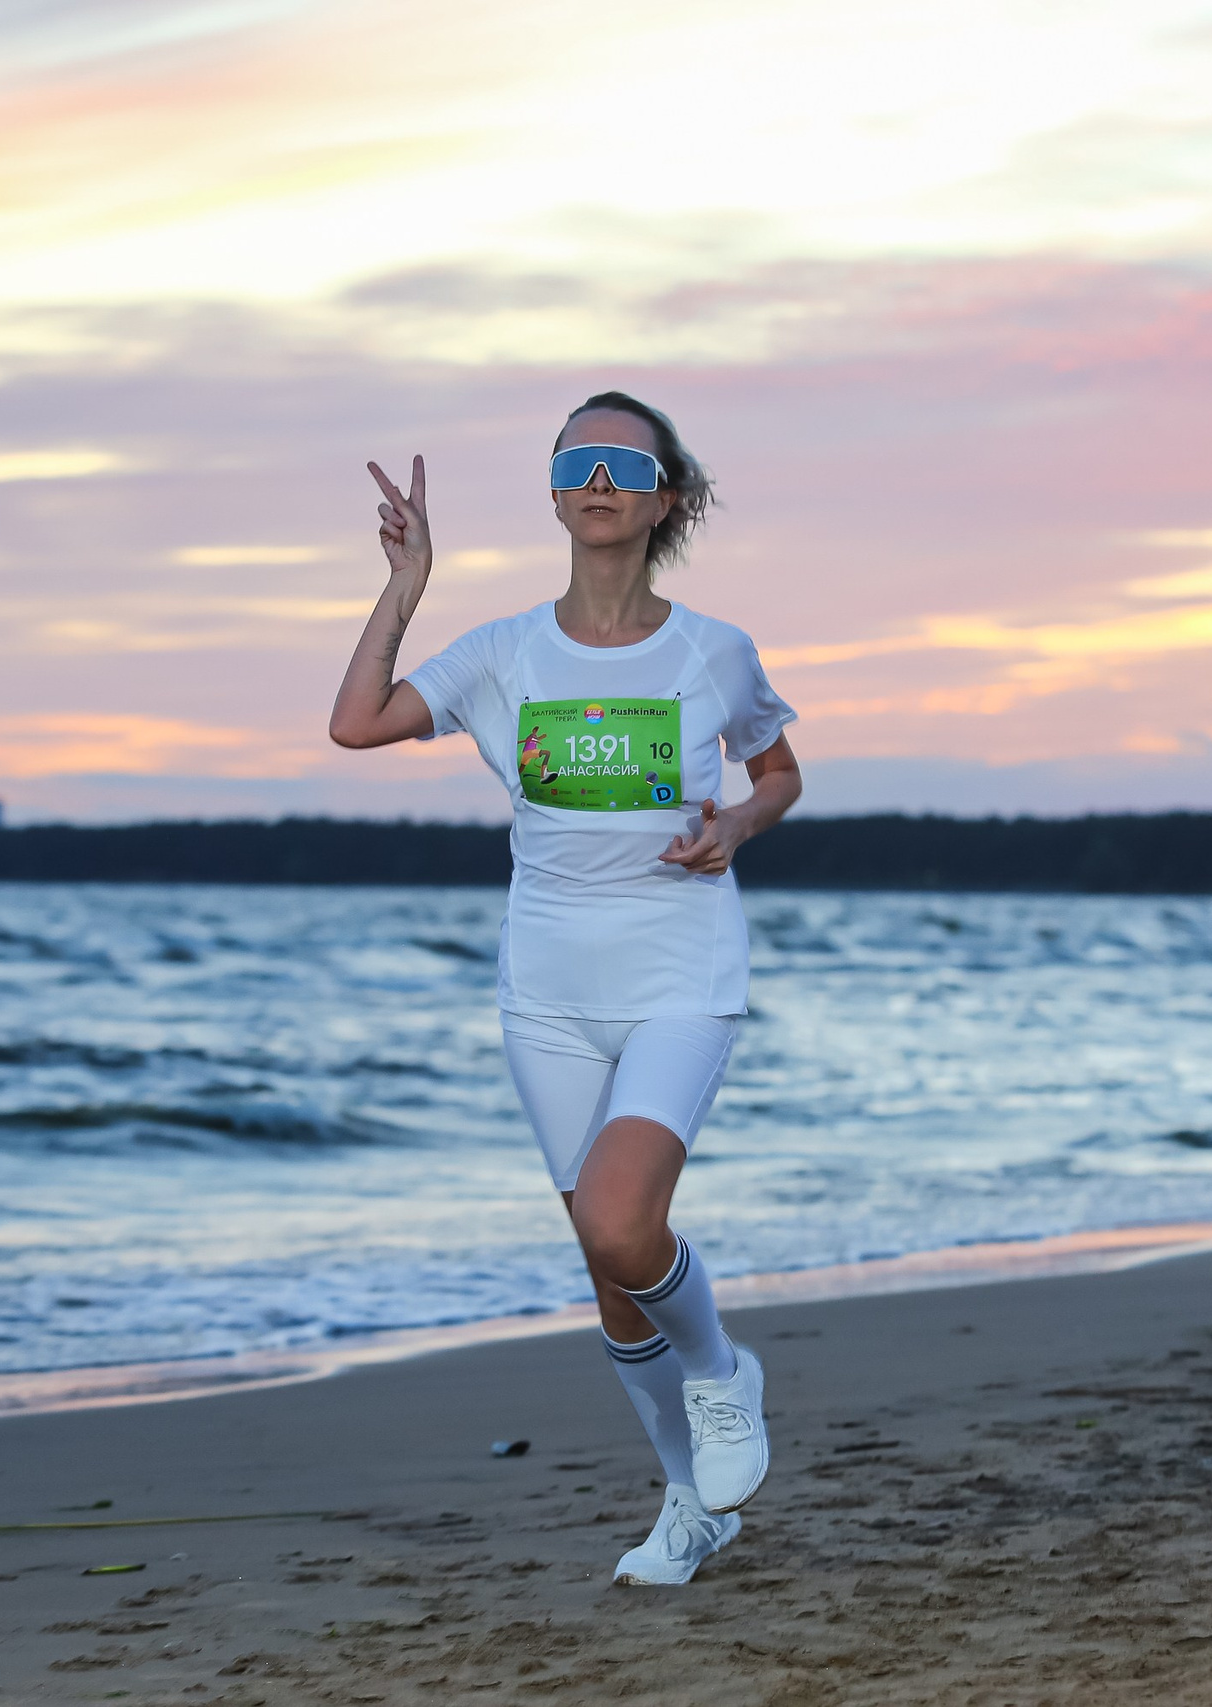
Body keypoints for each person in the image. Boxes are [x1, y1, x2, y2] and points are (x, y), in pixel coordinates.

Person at [329, 392, 803, 1586]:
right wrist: (407, 585)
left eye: (623, 465)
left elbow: (779, 769)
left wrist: (739, 823)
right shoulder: (501, 653)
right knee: (609, 1272)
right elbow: (356, 723)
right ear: (554, 495)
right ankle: (691, 1507)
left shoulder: (713, 650)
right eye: (575, 462)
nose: (598, 480)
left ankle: (721, 1381)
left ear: (666, 499)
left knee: (619, 1220)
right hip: (543, 993)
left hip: (678, 974)